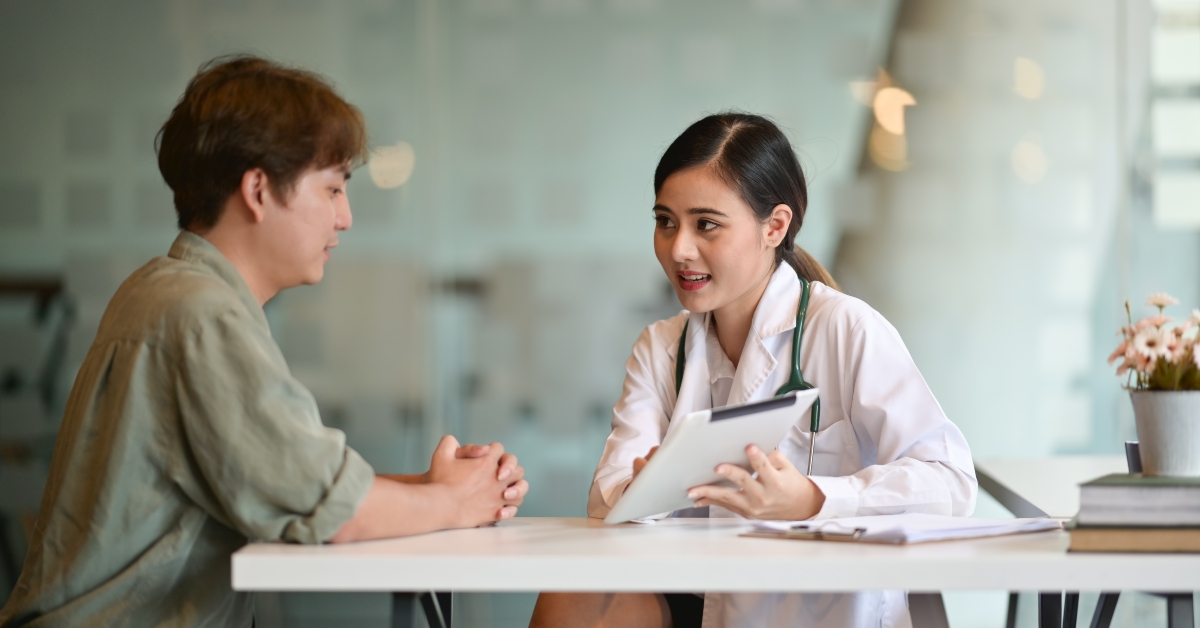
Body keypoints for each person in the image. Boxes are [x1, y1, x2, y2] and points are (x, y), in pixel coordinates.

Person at [0, 55, 528, 628]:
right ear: (257, 190)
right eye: (332, 189)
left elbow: (289, 479)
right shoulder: (200, 315)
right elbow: (327, 511)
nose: (346, 217)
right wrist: (453, 502)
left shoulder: (169, 292)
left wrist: (438, 487)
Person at [529, 113, 976, 628]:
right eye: (665, 221)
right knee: (575, 590)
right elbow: (605, 496)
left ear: (775, 226)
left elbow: (950, 481)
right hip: (694, 603)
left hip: (810, 611)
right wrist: (650, 483)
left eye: (706, 225)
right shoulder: (661, 347)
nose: (679, 249)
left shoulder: (845, 329)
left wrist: (812, 499)